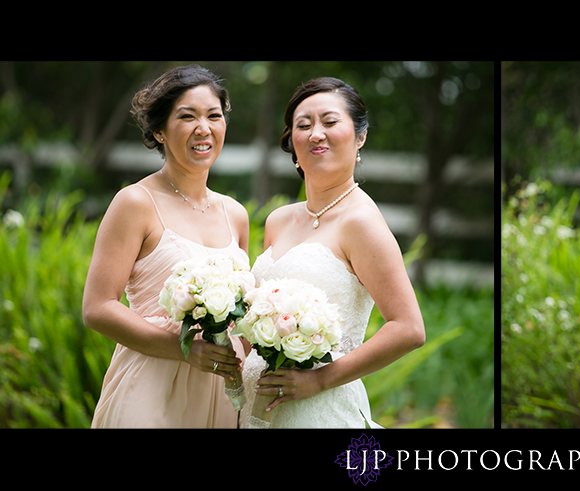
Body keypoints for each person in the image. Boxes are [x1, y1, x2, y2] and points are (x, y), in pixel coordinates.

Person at [239, 77, 425, 428]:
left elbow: (409, 328)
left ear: (360, 136)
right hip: (257, 408)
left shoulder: (362, 223)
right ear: (292, 141)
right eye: (303, 125)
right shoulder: (279, 220)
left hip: (318, 410)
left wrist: (319, 380)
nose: (315, 134)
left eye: (330, 122)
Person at [83, 65, 250, 428]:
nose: (203, 128)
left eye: (213, 116)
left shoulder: (235, 214)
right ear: (159, 131)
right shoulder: (135, 203)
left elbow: (243, 314)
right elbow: (98, 307)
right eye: (186, 116)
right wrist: (185, 350)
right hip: (151, 385)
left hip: (221, 394)